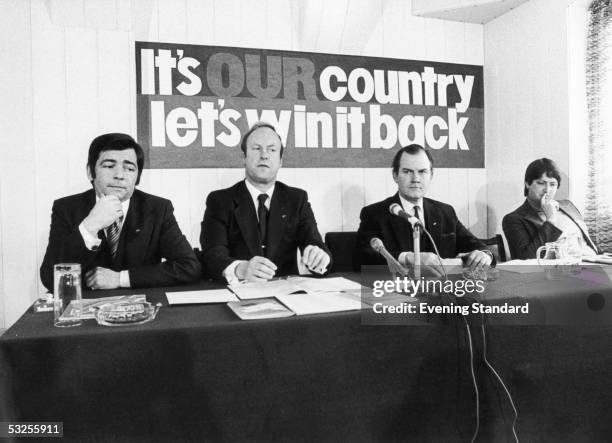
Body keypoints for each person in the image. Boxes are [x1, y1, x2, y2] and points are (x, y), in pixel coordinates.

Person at [40, 133, 201, 291]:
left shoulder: (158, 209)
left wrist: (121, 279)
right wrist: (90, 226)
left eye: (129, 168)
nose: (119, 175)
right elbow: (50, 278)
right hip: (86, 309)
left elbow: (189, 267)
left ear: (137, 177)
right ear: (90, 171)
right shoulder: (66, 208)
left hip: (142, 310)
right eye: (109, 166)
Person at [200, 122, 331, 282]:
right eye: (256, 149)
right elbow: (212, 254)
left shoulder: (296, 199)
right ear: (244, 158)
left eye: (272, 150)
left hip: (288, 294)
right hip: (238, 292)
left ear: (281, 161)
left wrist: (320, 257)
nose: (264, 155)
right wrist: (240, 269)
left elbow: (316, 244)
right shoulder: (220, 200)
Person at [356, 144, 492, 275]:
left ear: (431, 175)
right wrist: (409, 258)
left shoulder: (445, 212)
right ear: (395, 175)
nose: (415, 179)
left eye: (422, 171)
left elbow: (475, 245)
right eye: (407, 171)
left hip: (444, 292)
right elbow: (362, 258)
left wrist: (485, 255)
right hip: (398, 293)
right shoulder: (374, 213)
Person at [502, 158, 599, 260]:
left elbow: (587, 242)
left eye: (552, 184)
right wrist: (550, 220)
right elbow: (525, 258)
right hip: (559, 272)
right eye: (541, 183)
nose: (547, 190)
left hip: (594, 263)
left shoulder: (567, 205)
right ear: (527, 183)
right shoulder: (513, 219)